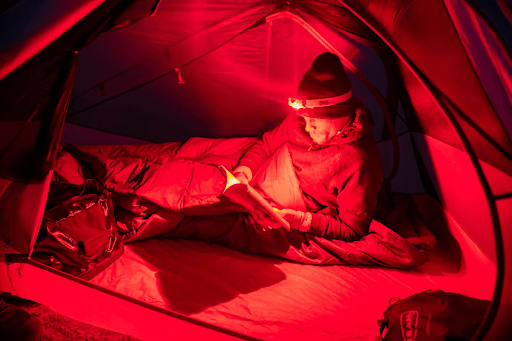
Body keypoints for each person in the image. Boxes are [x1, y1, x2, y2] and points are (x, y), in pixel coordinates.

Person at [232, 52, 384, 242]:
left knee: (206, 202)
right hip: (264, 174)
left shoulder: (358, 162)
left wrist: (300, 220)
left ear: (338, 114)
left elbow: (352, 229)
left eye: (312, 121)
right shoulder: (299, 122)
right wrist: (243, 171)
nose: (306, 127)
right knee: (210, 175)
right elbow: (265, 145)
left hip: (290, 199)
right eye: (304, 118)